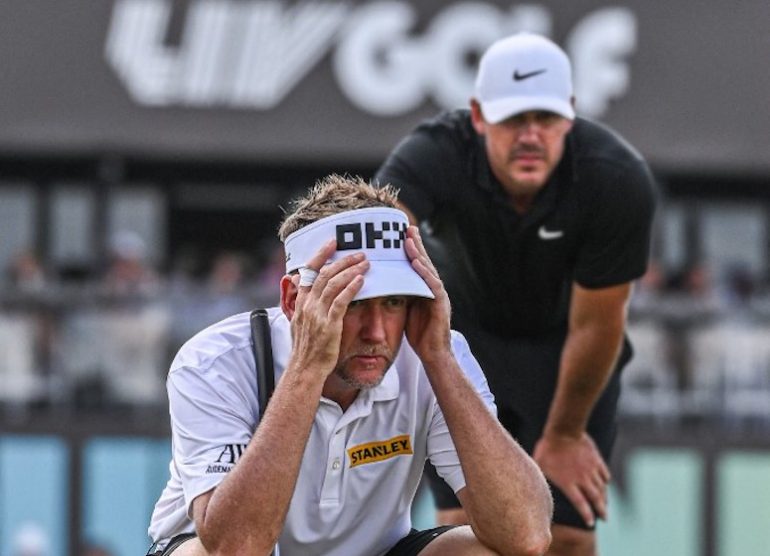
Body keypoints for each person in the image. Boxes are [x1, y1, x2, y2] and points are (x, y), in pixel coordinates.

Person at [146, 175, 553, 556]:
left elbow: (527, 535)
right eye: (351, 302)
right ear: (292, 300)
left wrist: (440, 360)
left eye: (394, 301)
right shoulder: (215, 361)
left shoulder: (434, 352)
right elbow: (235, 547)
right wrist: (306, 371)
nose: (377, 332)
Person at [374, 33, 656, 556]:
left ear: (570, 115)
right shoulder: (434, 152)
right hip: (461, 345)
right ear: (478, 116)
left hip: (566, 352)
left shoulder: (616, 179)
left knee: (568, 538)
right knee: (467, 527)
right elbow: (380, 237)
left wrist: (567, 434)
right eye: (512, 120)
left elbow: (597, 324)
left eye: (545, 120)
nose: (530, 136)